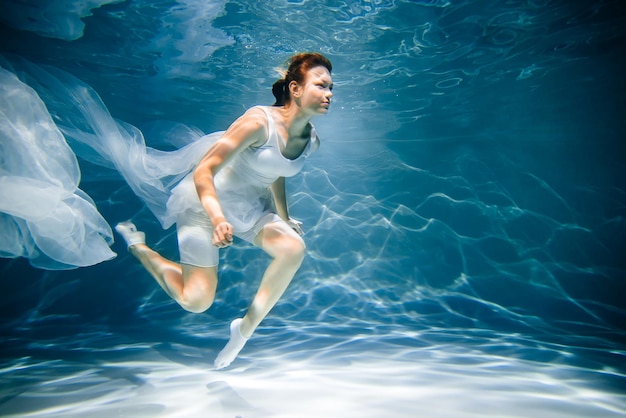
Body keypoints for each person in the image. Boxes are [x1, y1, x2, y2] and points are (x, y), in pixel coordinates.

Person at [115, 52, 333, 369]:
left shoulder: (310, 139)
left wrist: (284, 217)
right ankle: (140, 248)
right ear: (295, 89)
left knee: (293, 249)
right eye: (321, 85)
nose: (329, 94)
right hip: (205, 205)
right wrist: (217, 218)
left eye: (331, 87)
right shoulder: (257, 123)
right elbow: (204, 170)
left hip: (250, 208)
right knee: (196, 300)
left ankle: (243, 331)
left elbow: (277, 173)